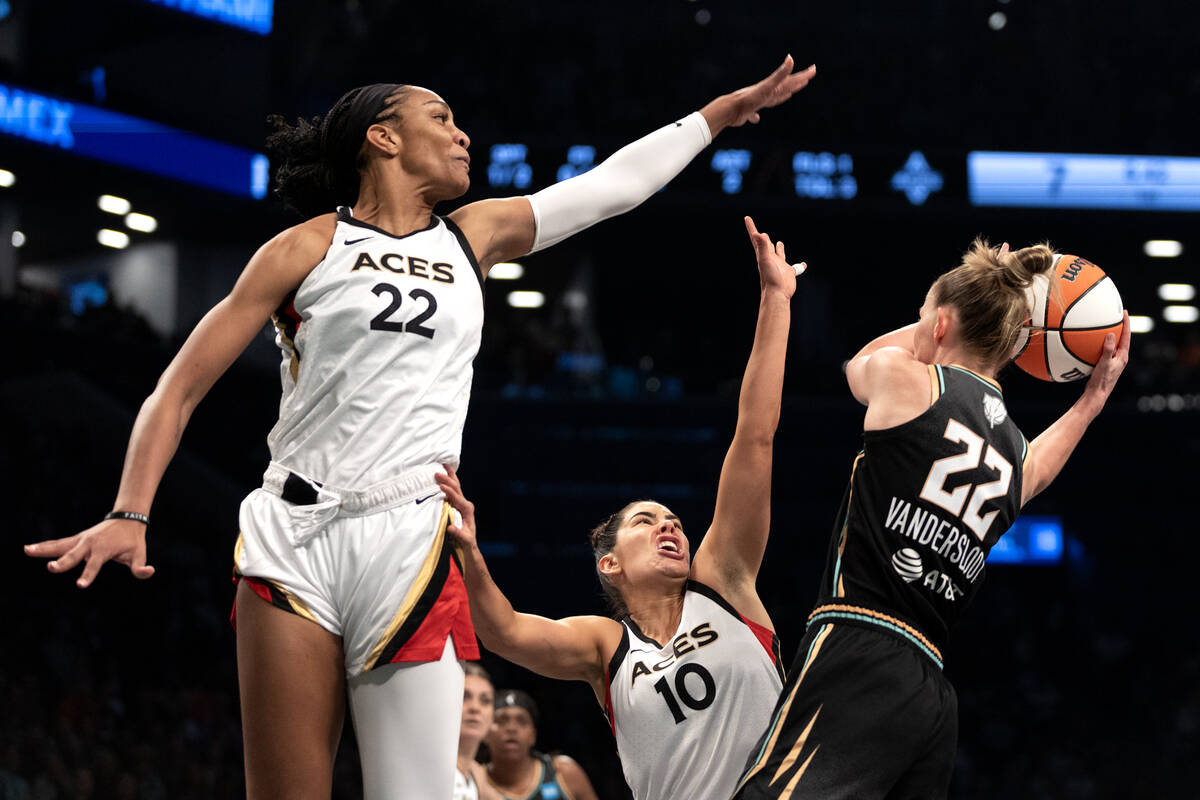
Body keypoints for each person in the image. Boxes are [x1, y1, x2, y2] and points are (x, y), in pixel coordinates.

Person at [23, 58, 817, 800]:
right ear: (383, 136)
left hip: (411, 530)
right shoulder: (305, 247)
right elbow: (179, 388)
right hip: (292, 530)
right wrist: (130, 511)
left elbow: (613, 187)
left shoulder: (475, 235)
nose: (462, 133)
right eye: (440, 118)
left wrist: (718, 114)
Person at [732, 241, 1132, 799]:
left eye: (924, 315)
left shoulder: (906, 379)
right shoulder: (1015, 451)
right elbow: (1040, 467)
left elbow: (857, 365)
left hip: (858, 647)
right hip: (932, 694)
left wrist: (960, 299)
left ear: (941, 325)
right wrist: (1095, 395)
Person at [435, 216, 803, 800]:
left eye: (674, 521)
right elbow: (500, 629)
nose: (670, 526)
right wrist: (470, 552)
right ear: (610, 563)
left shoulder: (724, 580)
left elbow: (755, 434)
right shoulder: (606, 647)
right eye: (646, 520)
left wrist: (775, 300)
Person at [484, 689, 599, 800]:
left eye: (522, 721)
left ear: (533, 735)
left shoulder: (563, 772)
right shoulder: (474, 781)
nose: (512, 728)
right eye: (502, 720)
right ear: (485, 732)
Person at [457, 663, 503, 800]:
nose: (475, 708)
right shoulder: (426, 762)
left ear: (492, 719)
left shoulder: (477, 776)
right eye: (465, 696)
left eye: (485, 701)